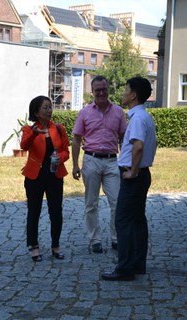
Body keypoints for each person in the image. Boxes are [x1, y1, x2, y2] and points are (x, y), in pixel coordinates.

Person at [101, 77, 156, 281]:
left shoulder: (138, 118)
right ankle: (137, 263)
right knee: (137, 220)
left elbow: (138, 146)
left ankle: (125, 268)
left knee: (123, 221)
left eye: (126, 90)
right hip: (141, 175)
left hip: (134, 176)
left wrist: (132, 171)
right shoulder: (143, 116)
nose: (123, 93)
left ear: (133, 95)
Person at [72, 76, 127, 253]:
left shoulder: (118, 112)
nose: (101, 93)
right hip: (91, 160)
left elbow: (123, 139)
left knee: (117, 202)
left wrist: (125, 162)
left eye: (104, 89)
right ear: (92, 92)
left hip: (112, 161)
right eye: (98, 90)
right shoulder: (85, 113)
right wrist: (75, 165)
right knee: (91, 203)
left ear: (108, 89)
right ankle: (94, 239)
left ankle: (116, 238)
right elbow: (76, 139)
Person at [20, 96, 70, 261]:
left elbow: (65, 151)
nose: (49, 110)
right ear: (36, 112)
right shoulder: (29, 129)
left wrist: (59, 158)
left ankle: (55, 246)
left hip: (54, 175)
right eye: (45, 108)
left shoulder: (59, 128)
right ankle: (34, 247)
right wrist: (35, 133)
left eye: (50, 107)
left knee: (56, 212)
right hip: (35, 176)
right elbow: (24, 146)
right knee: (34, 211)